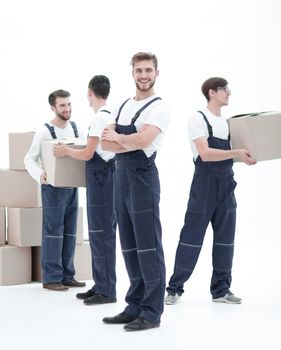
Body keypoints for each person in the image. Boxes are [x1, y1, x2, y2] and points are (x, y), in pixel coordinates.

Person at [165, 77, 256, 305]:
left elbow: (229, 155)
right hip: (204, 186)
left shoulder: (226, 123)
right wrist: (236, 153)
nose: (229, 93)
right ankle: (175, 288)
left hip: (226, 185)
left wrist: (244, 158)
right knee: (191, 237)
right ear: (212, 92)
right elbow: (205, 153)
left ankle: (221, 290)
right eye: (225, 89)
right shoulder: (198, 119)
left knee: (225, 239)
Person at [101, 52, 169, 331]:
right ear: (132, 73)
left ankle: (152, 312)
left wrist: (121, 138)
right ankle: (135, 305)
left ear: (156, 73)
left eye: (148, 70)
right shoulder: (122, 105)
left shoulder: (159, 108)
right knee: (129, 244)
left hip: (142, 180)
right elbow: (107, 144)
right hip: (121, 178)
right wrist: (122, 140)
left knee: (148, 246)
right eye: (139, 70)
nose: (143, 75)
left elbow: (144, 140)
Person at [53, 75, 117, 304]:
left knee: (101, 235)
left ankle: (106, 290)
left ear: (90, 92)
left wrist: (66, 152)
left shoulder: (100, 117)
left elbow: (88, 154)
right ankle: (101, 284)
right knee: (101, 234)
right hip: (106, 180)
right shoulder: (110, 114)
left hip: (102, 181)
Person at [24, 89, 86, 291]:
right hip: (52, 189)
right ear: (53, 107)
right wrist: (39, 174)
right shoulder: (44, 130)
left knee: (70, 233)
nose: (67, 109)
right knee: (53, 233)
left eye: (69, 104)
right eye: (62, 105)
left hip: (72, 188)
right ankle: (51, 278)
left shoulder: (76, 129)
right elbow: (29, 158)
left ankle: (68, 276)